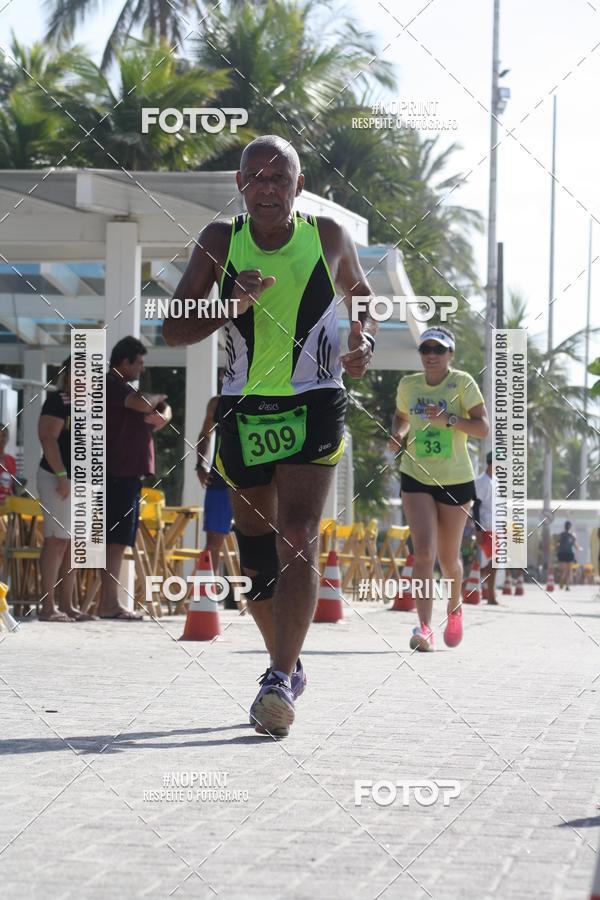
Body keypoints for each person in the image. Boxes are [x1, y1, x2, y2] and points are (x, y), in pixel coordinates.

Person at [163, 134, 376, 737]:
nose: (266, 188)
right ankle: (287, 662)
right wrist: (229, 306)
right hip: (243, 405)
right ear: (239, 185)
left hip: (315, 399)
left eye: (279, 177)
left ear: (298, 186)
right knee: (256, 550)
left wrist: (361, 338)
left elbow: (362, 297)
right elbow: (174, 329)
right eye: (255, 177)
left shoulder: (328, 236)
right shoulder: (218, 241)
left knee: (299, 534)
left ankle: (278, 679)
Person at [388, 326, 489, 651]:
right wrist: (398, 433)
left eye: (438, 349)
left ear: (450, 354)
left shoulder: (462, 383)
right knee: (423, 552)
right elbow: (401, 417)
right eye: (426, 349)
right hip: (415, 476)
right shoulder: (409, 385)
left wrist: (450, 420)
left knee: (448, 559)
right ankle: (425, 627)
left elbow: (483, 428)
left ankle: (455, 608)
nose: (431, 355)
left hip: (456, 480)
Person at [99, 336, 172, 619]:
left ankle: (109, 602)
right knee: (114, 542)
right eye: (139, 363)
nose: (142, 368)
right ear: (124, 361)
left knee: (117, 542)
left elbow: (158, 411)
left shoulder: (127, 389)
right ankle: (109, 603)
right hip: (117, 474)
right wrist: (159, 399)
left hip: (128, 474)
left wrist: (165, 412)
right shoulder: (112, 385)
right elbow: (143, 405)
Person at [36, 358, 91, 621]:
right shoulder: (57, 401)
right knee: (56, 540)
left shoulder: (90, 404)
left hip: (81, 481)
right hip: (57, 477)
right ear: (67, 375)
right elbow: (48, 438)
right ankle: (48, 607)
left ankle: (68, 605)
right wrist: (61, 476)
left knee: (73, 543)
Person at [196, 394, 234, 584]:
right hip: (220, 480)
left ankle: (266, 597)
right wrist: (200, 466)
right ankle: (206, 593)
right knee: (213, 543)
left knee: (262, 540)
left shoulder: (260, 396)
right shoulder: (217, 403)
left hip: (255, 481)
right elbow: (205, 435)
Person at [473, 450, 498, 605]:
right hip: (485, 526)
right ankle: (490, 596)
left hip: (495, 526)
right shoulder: (482, 481)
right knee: (495, 561)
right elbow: (475, 506)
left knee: (496, 562)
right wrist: (478, 530)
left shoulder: (495, 481)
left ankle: (470, 582)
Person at [556, 520, 580, 590]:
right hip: (569, 554)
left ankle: (563, 580)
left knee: (564, 570)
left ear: (564, 527)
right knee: (569, 570)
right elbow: (575, 544)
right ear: (570, 527)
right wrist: (579, 548)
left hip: (562, 553)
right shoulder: (572, 535)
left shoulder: (561, 535)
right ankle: (567, 585)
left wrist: (557, 547)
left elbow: (557, 543)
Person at [0, 423, 17, 505]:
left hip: (8, 503)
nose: (1, 438)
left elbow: (13, 485)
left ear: (7, 438)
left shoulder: (11, 460)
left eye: (4, 435)